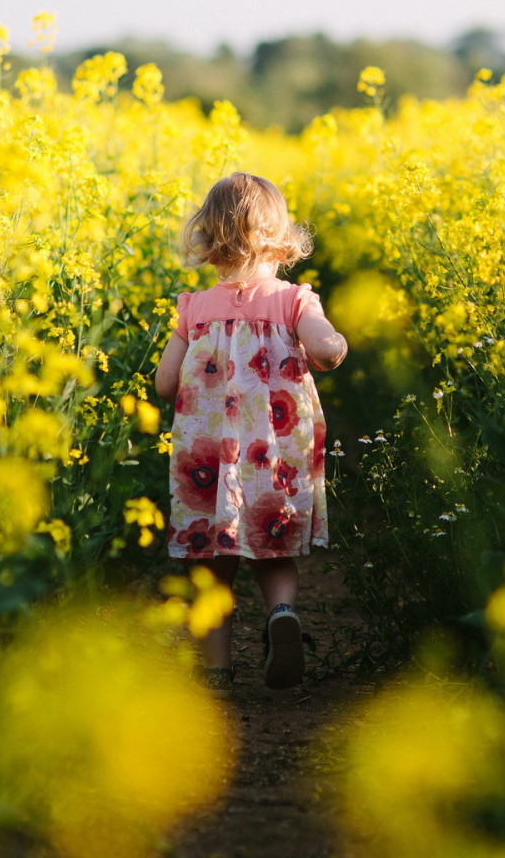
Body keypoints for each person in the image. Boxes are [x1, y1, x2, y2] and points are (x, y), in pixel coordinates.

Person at [155, 172, 348, 695]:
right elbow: (325, 348)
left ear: (209, 242)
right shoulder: (294, 301)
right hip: (273, 448)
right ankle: (281, 612)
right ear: (280, 241)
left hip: (209, 456)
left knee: (213, 563)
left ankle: (217, 670)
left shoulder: (192, 310)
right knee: (275, 544)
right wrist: (332, 347)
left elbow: (166, 383)